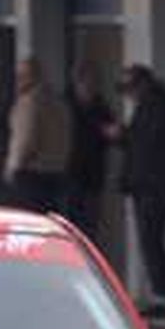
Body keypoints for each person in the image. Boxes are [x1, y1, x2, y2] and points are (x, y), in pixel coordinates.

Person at [116, 64, 165, 318]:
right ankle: (160, 293)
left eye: (131, 89)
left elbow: (147, 143)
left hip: (153, 183)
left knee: (151, 238)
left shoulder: (157, 107)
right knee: (150, 239)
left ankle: (162, 296)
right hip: (149, 182)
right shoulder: (153, 106)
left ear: (142, 85)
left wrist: (123, 135)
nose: (129, 96)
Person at [4, 56, 71, 214]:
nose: (18, 80)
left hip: (31, 174)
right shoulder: (60, 102)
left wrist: (13, 168)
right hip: (56, 171)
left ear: (32, 77)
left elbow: (27, 141)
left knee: (29, 223)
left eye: (21, 76)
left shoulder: (29, 102)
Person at [64, 59, 118, 240]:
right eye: (89, 81)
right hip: (69, 173)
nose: (93, 86)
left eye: (96, 82)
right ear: (78, 82)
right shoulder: (65, 105)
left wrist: (112, 133)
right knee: (69, 225)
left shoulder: (101, 106)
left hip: (93, 175)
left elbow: (113, 134)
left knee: (90, 226)